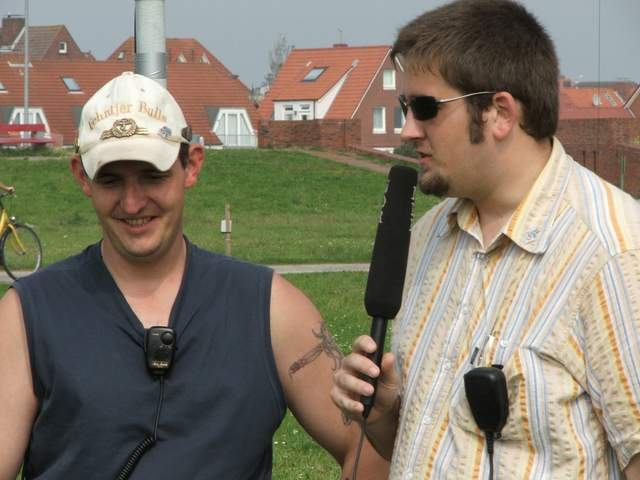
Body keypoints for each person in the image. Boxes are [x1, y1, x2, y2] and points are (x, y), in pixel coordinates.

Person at [0, 71, 389, 479]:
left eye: (152, 176)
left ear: (192, 165)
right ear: (82, 175)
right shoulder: (26, 318)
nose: (132, 203)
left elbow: (368, 449)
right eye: (111, 180)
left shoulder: (271, 309)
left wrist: (383, 420)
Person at [332, 1, 640, 479]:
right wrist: (385, 412)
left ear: (499, 113)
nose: (407, 130)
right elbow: (428, 449)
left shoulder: (613, 253)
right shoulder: (427, 237)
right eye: (404, 108)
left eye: (426, 108)